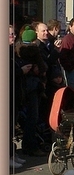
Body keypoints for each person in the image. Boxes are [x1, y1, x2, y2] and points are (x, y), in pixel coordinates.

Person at [14, 27, 48, 157]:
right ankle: (31, 146)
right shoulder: (34, 51)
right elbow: (43, 67)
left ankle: (27, 146)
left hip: (24, 88)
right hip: (33, 87)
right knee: (32, 118)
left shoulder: (17, 50)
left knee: (27, 118)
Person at [9, 25, 27, 168]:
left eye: (14, 34)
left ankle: (12, 155)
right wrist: (20, 71)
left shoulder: (12, 52)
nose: (13, 37)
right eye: (10, 35)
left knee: (11, 127)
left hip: (15, 93)